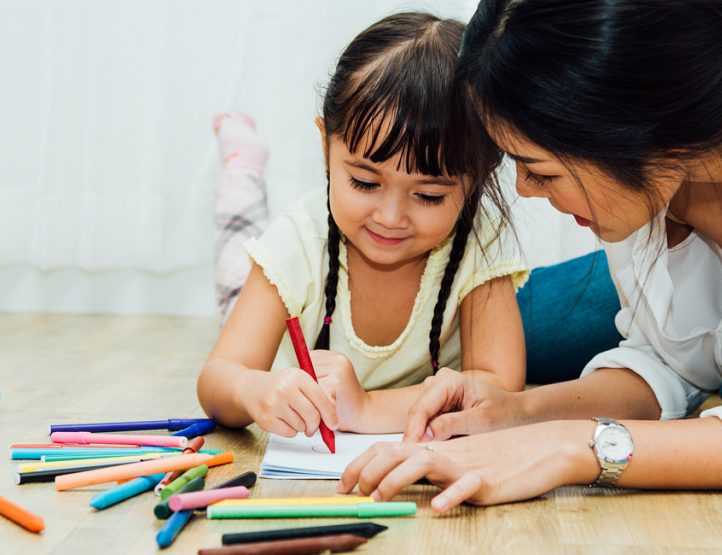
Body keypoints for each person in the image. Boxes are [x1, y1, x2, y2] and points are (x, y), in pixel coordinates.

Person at [338, 0, 722, 510]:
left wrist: (570, 448)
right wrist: (517, 412)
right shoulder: (651, 170)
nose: (526, 190)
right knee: (516, 329)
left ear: (642, 135)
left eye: (540, 169)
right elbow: (671, 364)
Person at [197, 12, 529, 437]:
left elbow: (499, 387)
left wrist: (369, 407)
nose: (390, 218)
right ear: (325, 145)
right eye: (364, 182)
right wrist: (253, 389)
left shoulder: (481, 238)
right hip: (282, 289)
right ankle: (242, 166)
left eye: (428, 195)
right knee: (234, 271)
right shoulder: (298, 239)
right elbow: (218, 377)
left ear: (479, 176)